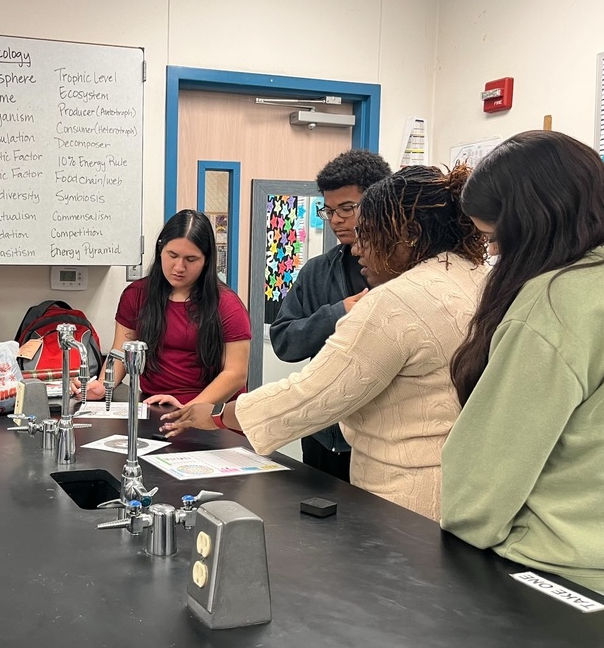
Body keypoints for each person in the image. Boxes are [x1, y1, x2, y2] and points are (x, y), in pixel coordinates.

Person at [160, 164, 489, 521]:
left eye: (367, 233)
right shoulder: (475, 278)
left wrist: (220, 416)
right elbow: (287, 339)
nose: (358, 248)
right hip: (462, 486)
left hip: (406, 496)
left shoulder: (397, 300)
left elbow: (315, 394)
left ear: (407, 234)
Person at [441, 130, 604, 595]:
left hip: (560, 573)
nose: (492, 255)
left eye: (495, 239)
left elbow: (483, 477)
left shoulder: (556, 303)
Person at [269, 149, 392, 482]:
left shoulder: (404, 272)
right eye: (330, 210)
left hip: (381, 442)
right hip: (323, 434)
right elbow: (284, 341)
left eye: (348, 208)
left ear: (381, 202)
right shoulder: (317, 272)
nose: (337, 219)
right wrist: (337, 313)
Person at [80, 209, 251, 407]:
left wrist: (188, 410)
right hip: (155, 406)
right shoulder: (136, 295)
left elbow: (236, 374)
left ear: (206, 261)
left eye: (191, 259)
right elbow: (121, 352)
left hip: (211, 412)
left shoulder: (228, 305)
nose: (179, 267)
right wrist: (103, 385)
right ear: (160, 249)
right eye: (173, 255)